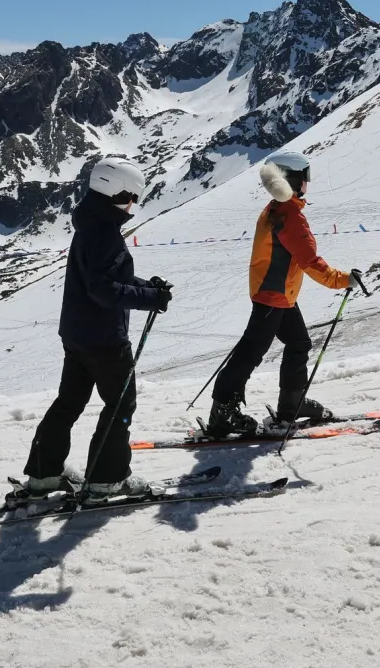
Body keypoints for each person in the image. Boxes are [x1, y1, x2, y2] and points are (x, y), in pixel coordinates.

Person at [22, 158, 171, 502]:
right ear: (119, 192)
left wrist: (149, 287)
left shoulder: (90, 222)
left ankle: (44, 475)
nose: (133, 203)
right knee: (120, 405)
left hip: (77, 333)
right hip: (105, 339)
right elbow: (105, 290)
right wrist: (152, 298)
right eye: (132, 196)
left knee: (69, 402)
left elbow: (105, 278)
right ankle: (107, 480)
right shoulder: (105, 232)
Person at [206, 152, 356, 438]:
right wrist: (344, 280)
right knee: (249, 354)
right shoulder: (291, 217)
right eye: (305, 178)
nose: (308, 184)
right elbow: (310, 262)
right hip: (273, 296)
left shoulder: (275, 208)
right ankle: (223, 414)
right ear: (294, 180)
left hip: (275, 293)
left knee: (298, 342)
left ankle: (291, 405)